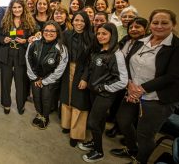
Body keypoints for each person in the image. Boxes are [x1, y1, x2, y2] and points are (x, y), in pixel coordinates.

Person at [111, 9, 179, 164]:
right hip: (131, 91)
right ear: (151, 24)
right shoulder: (141, 41)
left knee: (145, 134)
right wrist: (128, 83)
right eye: (155, 22)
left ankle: (139, 160)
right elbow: (126, 62)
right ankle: (131, 148)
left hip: (157, 99)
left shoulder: (176, 47)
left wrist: (140, 89)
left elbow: (172, 76)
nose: (159, 26)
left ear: (173, 24)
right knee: (123, 121)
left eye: (164, 23)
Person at [78, 23, 128, 163]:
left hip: (104, 94)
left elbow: (122, 80)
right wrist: (86, 80)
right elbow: (90, 67)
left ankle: (99, 152)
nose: (100, 36)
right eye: (98, 33)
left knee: (93, 122)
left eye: (104, 34)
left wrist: (102, 88)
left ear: (112, 35)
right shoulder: (98, 50)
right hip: (93, 91)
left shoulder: (116, 54)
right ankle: (94, 141)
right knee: (99, 122)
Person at [26, 21, 68, 129]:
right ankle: (39, 114)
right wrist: (34, 77)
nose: (49, 33)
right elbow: (28, 58)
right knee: (36, 97)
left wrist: (45, 81)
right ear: (42, 31)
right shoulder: (34, 43)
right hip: (35, 77)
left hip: (50, 79)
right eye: (46, 30)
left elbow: (60, 69)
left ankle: (45, 117)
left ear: (57, 33)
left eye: (52, 31)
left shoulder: (61, 48)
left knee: (46, 98)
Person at [60, 12, 93, 147]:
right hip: (67, 69)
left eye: (82, 21)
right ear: (72, 21)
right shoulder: (67, 34)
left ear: (86, 23)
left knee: (79, 102)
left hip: (83, 71)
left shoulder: (92, 37)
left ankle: (76, 134)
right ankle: (66, 125)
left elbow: (92, 60)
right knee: (67, 98)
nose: (79, 23)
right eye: (76, 20)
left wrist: (85, 78)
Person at [0, 0, 36, 115]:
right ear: (10, 9)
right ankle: (6, 104)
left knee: (21, 84)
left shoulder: (29, 22)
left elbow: (34, 37)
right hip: (7, 55)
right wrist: (4, 39)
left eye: (19, 7)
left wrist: (26, 41)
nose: (17, 9)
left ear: (23, 8)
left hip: (21, 56)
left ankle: (21, 105)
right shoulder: (5, 21)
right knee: (5, 82)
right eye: (14, 7)